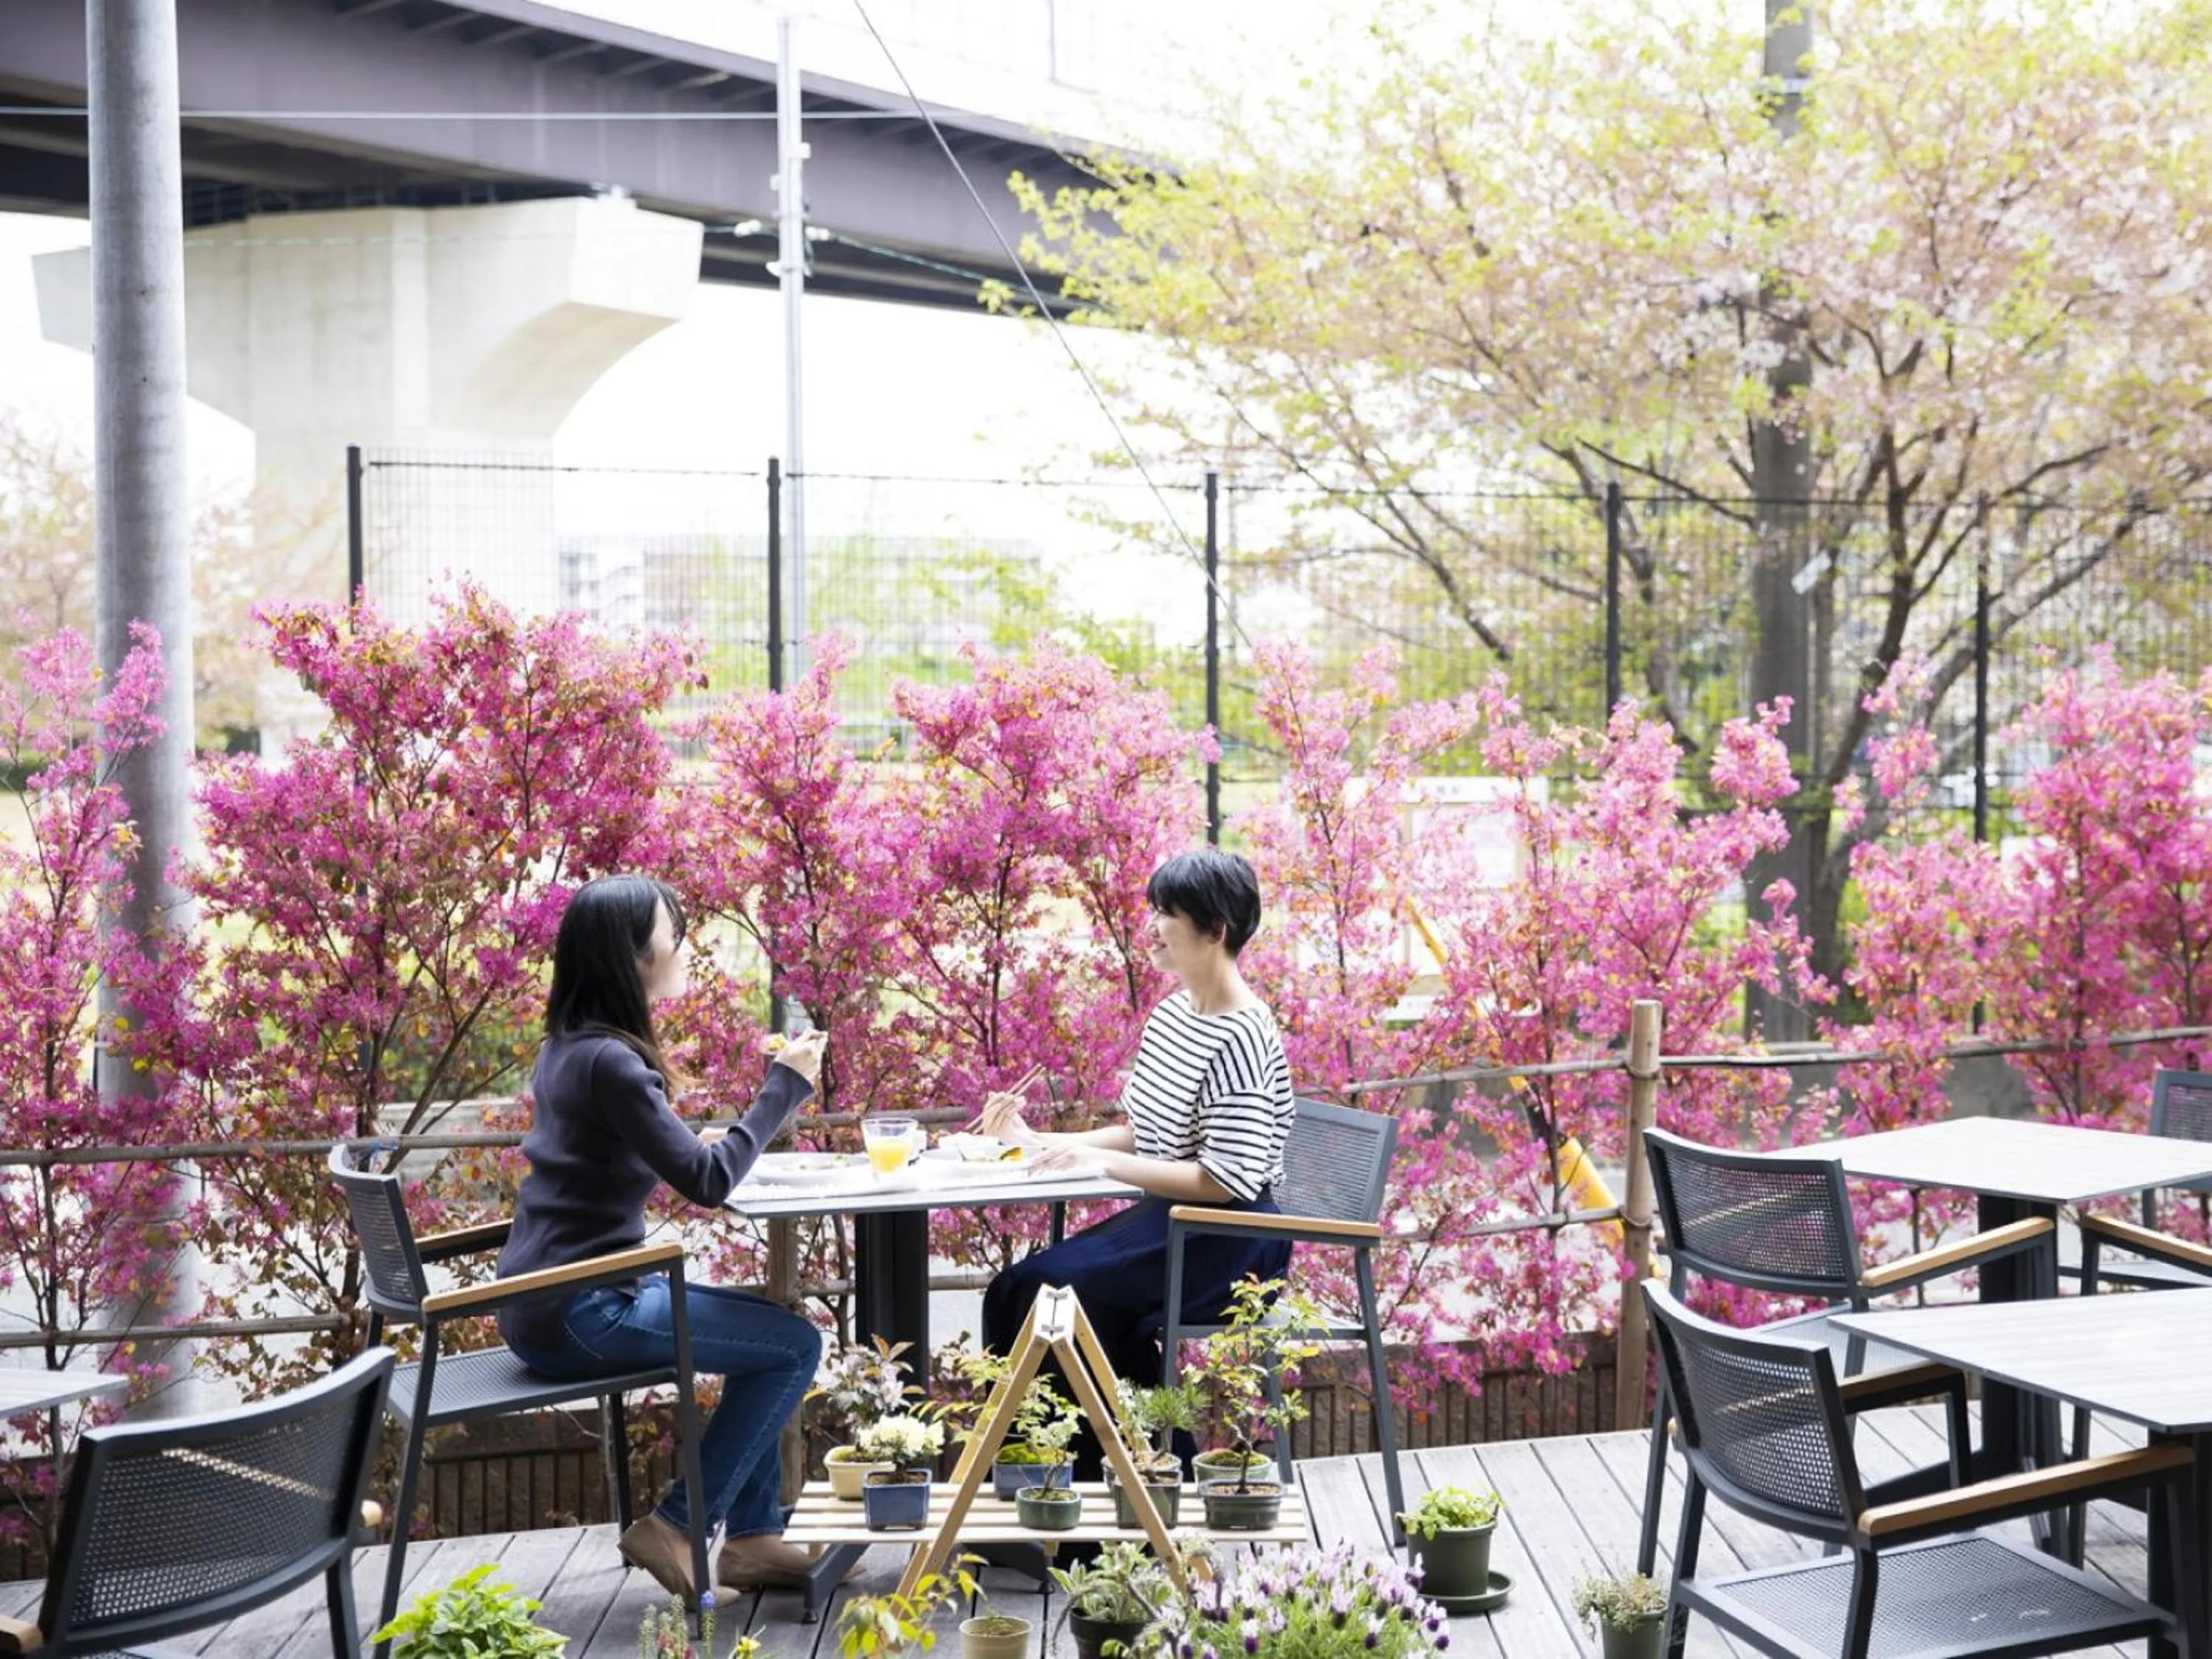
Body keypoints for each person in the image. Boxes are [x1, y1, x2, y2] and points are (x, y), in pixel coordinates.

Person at [495, 874, 828, 1601]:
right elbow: (709, 1184)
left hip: (546, 1301)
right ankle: (679, 1525)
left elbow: (618, 1154)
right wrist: (784, 1086)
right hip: (581, 1312)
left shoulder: (571, 1046)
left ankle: (751, 1540)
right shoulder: (613, 1061)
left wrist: (688, 1140)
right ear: (633, 957)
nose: (683, 946)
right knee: (795, 1345)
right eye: (672, 934)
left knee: (768, 1333)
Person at [978, 849, 1297, 1458]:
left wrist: (1096, 1163)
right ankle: (1083, 1480)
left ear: (1215, 930)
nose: (1150, 925)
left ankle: (1117, 1497)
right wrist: (1038, 1142)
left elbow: (1223, 1181)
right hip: (1172, 1218)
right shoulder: (1173, 1014)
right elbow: (1143, 1132)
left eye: (1166, 912)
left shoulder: (1244, 1033)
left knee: (1058, 1293)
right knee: (1016, 1288)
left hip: (1228, 1234)